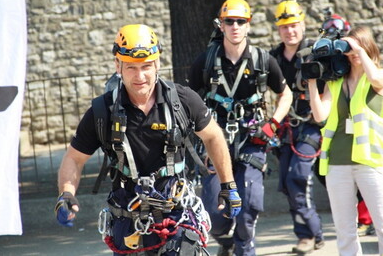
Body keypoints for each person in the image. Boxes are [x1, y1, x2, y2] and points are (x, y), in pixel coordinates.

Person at [55, 24, 242, 256]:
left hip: (177, 214)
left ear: (158, 64)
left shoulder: (183, 101)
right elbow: (74, 158)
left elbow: (213, 136)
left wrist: (228, 185)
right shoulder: (102, 111)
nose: (140, 76)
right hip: (127, 220)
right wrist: (66, 193)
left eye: (146, 67)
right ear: (117, 66)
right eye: (131, 68)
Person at [188, 0, 293, 256]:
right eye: (229, 21)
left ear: (248, 25)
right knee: (215, 213)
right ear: (221, 25)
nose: (235, 26)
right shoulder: (206, 61)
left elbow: (286, 94)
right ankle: (228, 242)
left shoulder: (262, 60)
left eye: (240, 21)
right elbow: (187, 100)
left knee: (249, 207)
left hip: (252, 139)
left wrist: (273, 124)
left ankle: (245, 249)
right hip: (214, 141)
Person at [308, 26, 383, 255]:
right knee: (345, 230)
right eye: (347, 50)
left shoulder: (379, 76)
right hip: (336, 164)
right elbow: (320, 115)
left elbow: (376, 79)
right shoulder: (336, 82)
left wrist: (359, 50)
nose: (350, 54)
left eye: (355, 49)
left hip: (369, 162)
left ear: (367, 47)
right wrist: (311, 82)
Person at [268, 0, 325, 254]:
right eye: (285, 27)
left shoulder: (317, 52)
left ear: (302, 25)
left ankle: (313, 231)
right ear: (279, 30)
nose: (290, 31)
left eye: (294, 26)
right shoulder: (273, 58)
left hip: (312, 125)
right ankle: (308, 234)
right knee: (285, 183)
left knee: (298, 178)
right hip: (286, 128)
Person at [321, 12, 375, 237]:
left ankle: (365, 218)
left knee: (367, 185)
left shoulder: (368, 70)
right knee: (323, 173)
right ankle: (357, 214)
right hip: (336, 136)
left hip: (367, 145)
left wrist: (356, 49)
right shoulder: (335, 65)